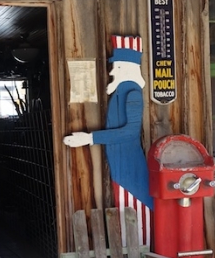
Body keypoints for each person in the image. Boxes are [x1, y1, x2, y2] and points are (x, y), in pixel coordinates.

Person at [64, 35, 152, 245]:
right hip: (119, 165)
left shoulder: (132, 93)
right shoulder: (121, 91)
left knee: (134, 216)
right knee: (124, 215)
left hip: (129, 167)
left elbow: (130, 132)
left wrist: (90, 138)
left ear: (130, 69)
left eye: (118, 68)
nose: (112, 72)